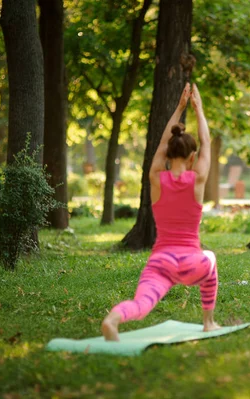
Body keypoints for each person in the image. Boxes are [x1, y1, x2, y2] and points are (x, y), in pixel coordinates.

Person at [102, 83, 220, 341]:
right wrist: (197, 109)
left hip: (161, 262)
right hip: (192, 262)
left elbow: (160, 145)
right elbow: (207, 142)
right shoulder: (197, 179)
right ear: (192, 158)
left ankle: (113, 319)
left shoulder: (156, 178)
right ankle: (208, 322)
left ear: (167, 153)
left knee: (141, 304)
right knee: (210, 259)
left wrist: (179, 108)